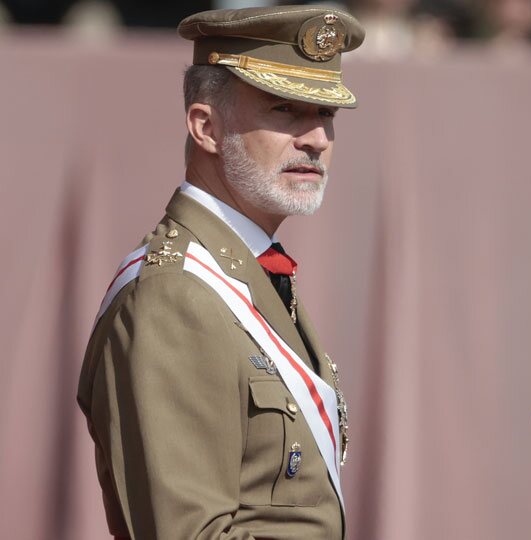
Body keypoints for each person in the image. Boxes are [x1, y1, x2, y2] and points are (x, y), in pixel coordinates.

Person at [76, 6, 364, 539]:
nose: (317, 139)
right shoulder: (172, 295)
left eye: (326, 114)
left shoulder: (245, 271)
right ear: (205, 127)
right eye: (285, 109)